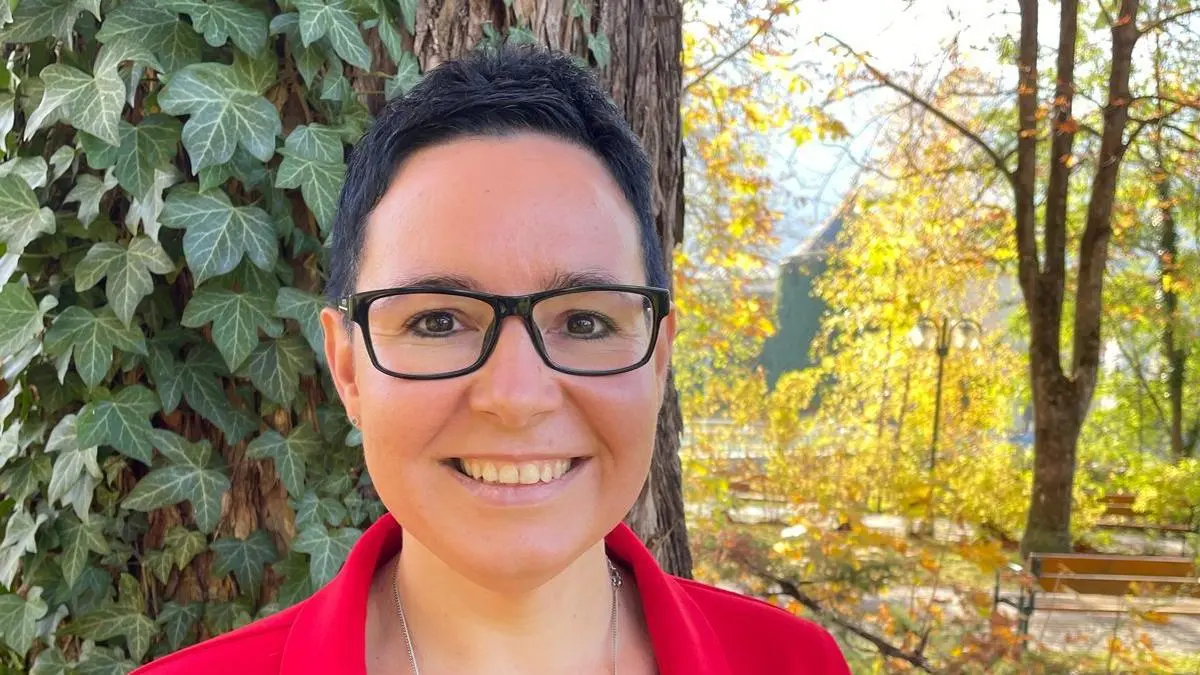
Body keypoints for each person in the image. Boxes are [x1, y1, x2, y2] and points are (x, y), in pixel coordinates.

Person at [133, 45, 851, 674]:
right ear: (347, 368)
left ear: (658, 361)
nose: (516, 396)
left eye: (586, 321)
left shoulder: (796, 663)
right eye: (438, 320)